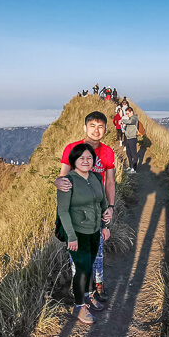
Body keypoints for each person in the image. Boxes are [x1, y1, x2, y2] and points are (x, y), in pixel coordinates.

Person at [55, 111, 116, 303]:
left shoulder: (107, 152)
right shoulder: (72, 149)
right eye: (92, 126)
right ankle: (81, 293)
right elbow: (63, 177)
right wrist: (58, 181)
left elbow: (110, 182)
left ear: (106, 129)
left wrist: (111, 207)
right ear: (85, 128)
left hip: (97, 209)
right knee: (79, 256)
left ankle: (97, 284)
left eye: (100, 127)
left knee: (97, 250)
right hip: (76, 212)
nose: (96, 131)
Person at [58, 143, 110, 324]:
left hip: (94, 230)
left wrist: (105, 225)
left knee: (89, 266)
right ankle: (78, 307)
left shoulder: (96, 177)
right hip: (78, 233)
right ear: (73, 161)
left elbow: (102, 203)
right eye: (81, 158)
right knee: (81, 270)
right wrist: (71, 237)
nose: (86, 161)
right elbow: (63, 212)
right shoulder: (67, 181)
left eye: (89, 158)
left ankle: (87, 296)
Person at [121, 107, 139, 173]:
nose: (127, 115)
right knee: (128, 153)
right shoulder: (130, 119)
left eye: (128, 113)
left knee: (134, 154)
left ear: (131, 112)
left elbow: (130, 122)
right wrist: (124, 127)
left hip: (132, 138)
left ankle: (134, 169)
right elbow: (128, 125)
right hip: (128, 138)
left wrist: (123, 121)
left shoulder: (134, 118)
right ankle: (131, 166)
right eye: (126, 114)